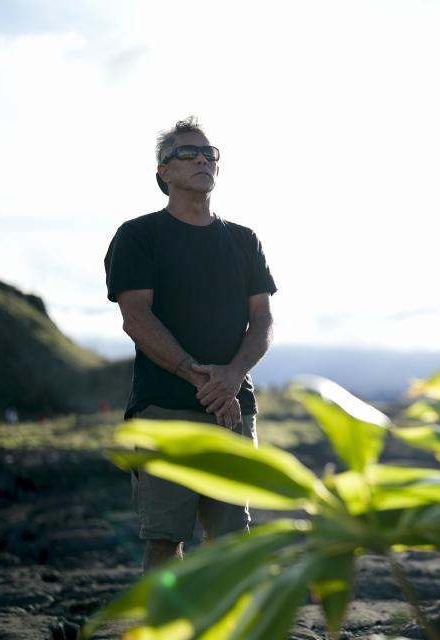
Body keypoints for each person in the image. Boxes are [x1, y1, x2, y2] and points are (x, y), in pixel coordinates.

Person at [104, 116, 276, 571]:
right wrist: (197, 375)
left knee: (230, 536)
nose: (202, 159)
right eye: (188, 152)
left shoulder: (244, 240)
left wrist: (231, 378)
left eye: (210, 153)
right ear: (164, 170)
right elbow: (135, 317)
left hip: (232, 410)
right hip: (165, 410)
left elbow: (264, 320)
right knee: (165, 539)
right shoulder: (139, 236)